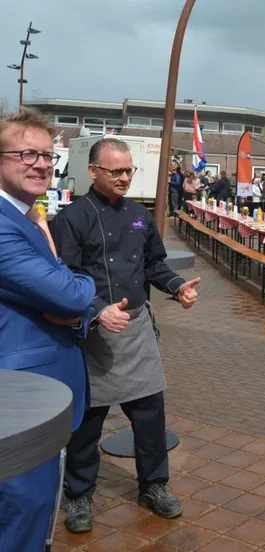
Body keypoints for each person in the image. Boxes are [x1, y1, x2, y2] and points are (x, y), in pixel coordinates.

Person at [53, 138, 202, 533]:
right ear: (93, 172)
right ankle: (80, 495)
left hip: (136, 329)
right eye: (115, 170)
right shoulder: (72, 218)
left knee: (151, 415)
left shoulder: (139, 214)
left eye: (128, 170)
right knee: (87, 421)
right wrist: (97, 309)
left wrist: (177, 287)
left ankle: (154, 486)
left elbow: (154, 263)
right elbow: (64, 278)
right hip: (95, 331)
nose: (123, 177)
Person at [0, 108, 96, 552]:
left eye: (46, 155)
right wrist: (78, 292)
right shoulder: (3, 226)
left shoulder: (26, 216)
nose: (41, 164)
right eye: (26, 154)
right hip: (19, 401)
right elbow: (72, 294)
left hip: (37, 394)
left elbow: (66, 301)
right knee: (25, 510)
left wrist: (70, 301)